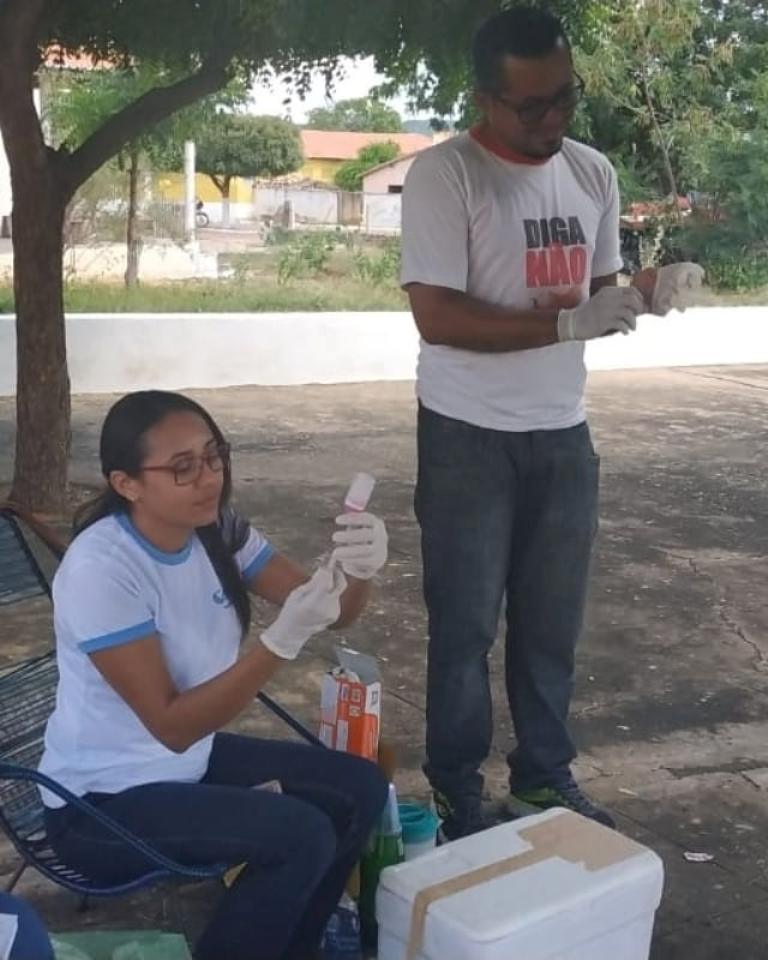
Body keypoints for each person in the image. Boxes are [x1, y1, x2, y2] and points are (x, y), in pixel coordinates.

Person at [401, 6, 702, 840]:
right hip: (466, 435)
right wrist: (565, 323)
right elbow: (436, 316)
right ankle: (457, 792)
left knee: (550, 625)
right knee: (464, 629)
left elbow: (595, 294)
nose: (551, 120)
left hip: (563, 431)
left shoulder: (592, 172)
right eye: (530, 105)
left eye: (563, 98)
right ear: (485, 98)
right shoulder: (447, 176)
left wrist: (644, 292)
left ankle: (542, 778)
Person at [39, 390, 389, 960]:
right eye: (182, 467)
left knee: (361, 787)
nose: (208, 478)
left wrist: (360, 568)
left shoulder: (217, 529)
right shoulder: (102, 569)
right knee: (300, 835)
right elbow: (172, 727)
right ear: (126, 483)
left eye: (213, 455)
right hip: (100, 804)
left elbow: (333, 610)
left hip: (186, 765)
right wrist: (280, 641)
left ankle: (292, 946)